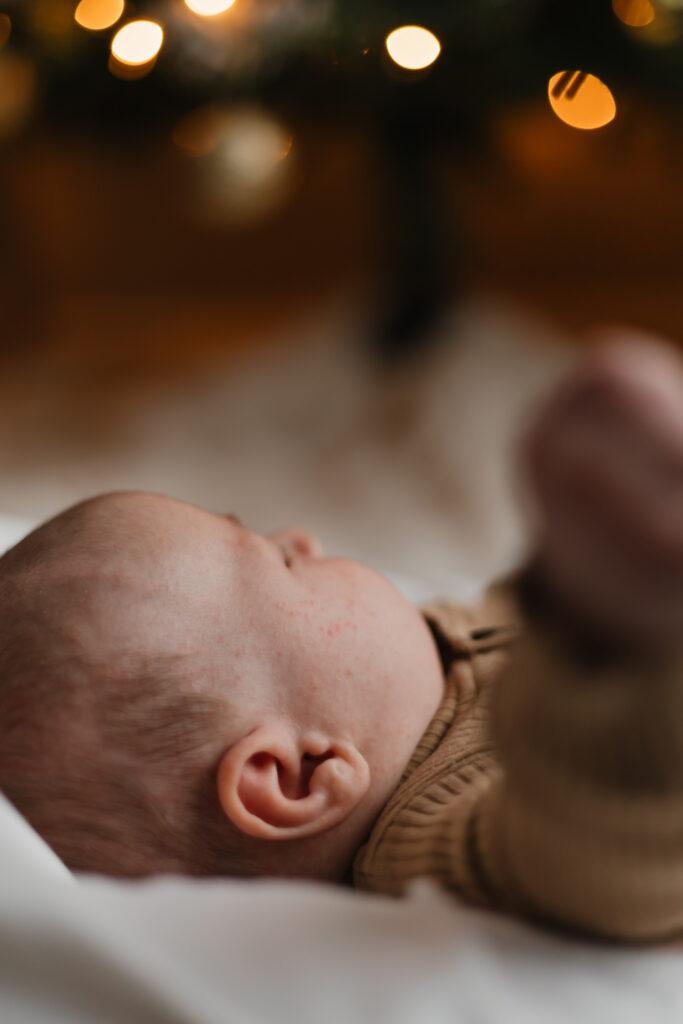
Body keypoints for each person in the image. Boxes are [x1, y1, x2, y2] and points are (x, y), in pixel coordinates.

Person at [0, 329, 681, 944]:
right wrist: (606, 629)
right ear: (298, 776)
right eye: (282, 561)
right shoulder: (431, 844)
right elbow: (599, 848)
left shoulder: (422, 666)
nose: (301, 534)